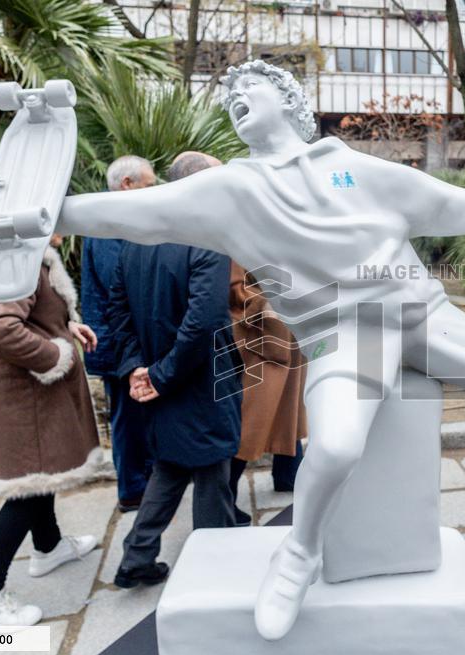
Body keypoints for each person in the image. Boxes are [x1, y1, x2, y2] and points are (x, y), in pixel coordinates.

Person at [55, 60, 465, 640]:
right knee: (341, 446)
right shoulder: (228, 189)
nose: (235, 99)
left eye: (250, 89)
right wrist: (43, 215)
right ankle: (299, 553)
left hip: (419, 309)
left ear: (291, 103)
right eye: (228, 97)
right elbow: (129, 216)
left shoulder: (346, 165)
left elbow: (433, 196)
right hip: (341, 334)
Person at [107, 151, 243, 589]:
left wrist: (136, 370)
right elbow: (203, 323)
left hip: (159, 377)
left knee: (170, 466)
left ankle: (136, 558)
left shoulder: (137, 237)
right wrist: (157, 376)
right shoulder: (207, 237)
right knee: (211, 474)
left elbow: (117, 313)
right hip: (201, 380)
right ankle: (214, 574)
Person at [0, 234, 101, 626]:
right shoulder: (13, 255)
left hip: (25, 391)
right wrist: (56, 354)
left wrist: (68, 327)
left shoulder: (16, 251)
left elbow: (31, 313)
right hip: (19, 394)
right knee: (27, 488)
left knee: (42, 472)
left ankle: (48, 547)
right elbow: (0, 329)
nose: (62, 228)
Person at [80, 155, 157, 513]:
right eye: (149, 184)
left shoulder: (111, 220)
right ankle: (132, 491)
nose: (154, 190)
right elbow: (121, 288)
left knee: (136, 417)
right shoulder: (110, 224)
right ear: (127, 183)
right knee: (127, 418)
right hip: (119, 345)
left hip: (122, 341)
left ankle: (146, 483)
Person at [228, 261, 308, 526]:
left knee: (288, 408)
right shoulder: (243, 230)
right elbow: (234, 290)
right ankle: (223, 495)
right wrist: (268, 305)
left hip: (288, 330)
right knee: (251, 418)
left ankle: (289, 474)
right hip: (261, 336)